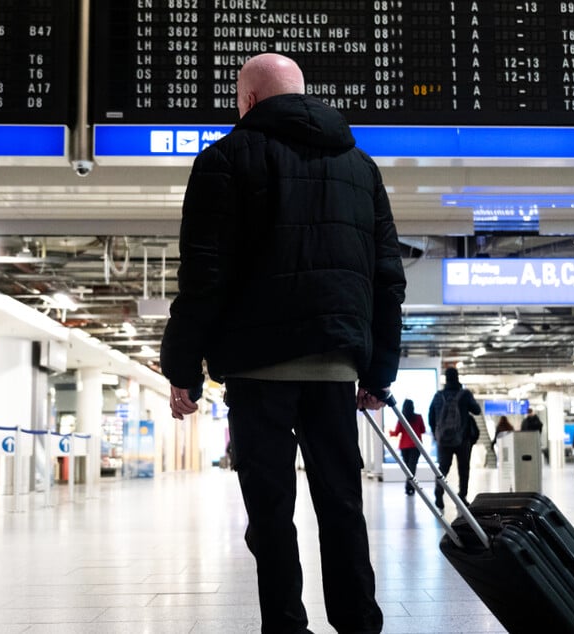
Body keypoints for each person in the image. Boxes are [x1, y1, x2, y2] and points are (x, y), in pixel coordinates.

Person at [159, 53, 406, 634]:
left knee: (270, 512)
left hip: (255, 369)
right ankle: (359, 623)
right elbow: (386, 277)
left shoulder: (223, 159)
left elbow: (202, 277)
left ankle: (287, 627)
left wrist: (181, 370)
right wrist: (379, 371)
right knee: (342, 505)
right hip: (335, 367)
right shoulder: (360, 166)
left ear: (246, 101)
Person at [428, 367, 482, 508]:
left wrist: (436, 432)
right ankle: (462, 496)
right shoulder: (464, 394)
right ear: (457, 377)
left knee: (443, 468)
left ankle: (439, 492)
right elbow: (477, 410)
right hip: (462, 439)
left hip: (444, 440)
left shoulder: (438, 396)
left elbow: (431, 416)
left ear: (446, 378)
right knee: (463, 469)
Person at [390, 398, 426, 495]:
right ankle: (410, 487)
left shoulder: (401, 418)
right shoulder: (419, 417)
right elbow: (423, 430)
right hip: (416, 446)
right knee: (412, 467)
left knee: (408, 468)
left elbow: (396, 433)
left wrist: (390, 432)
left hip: (404, 447)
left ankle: (409, 486)